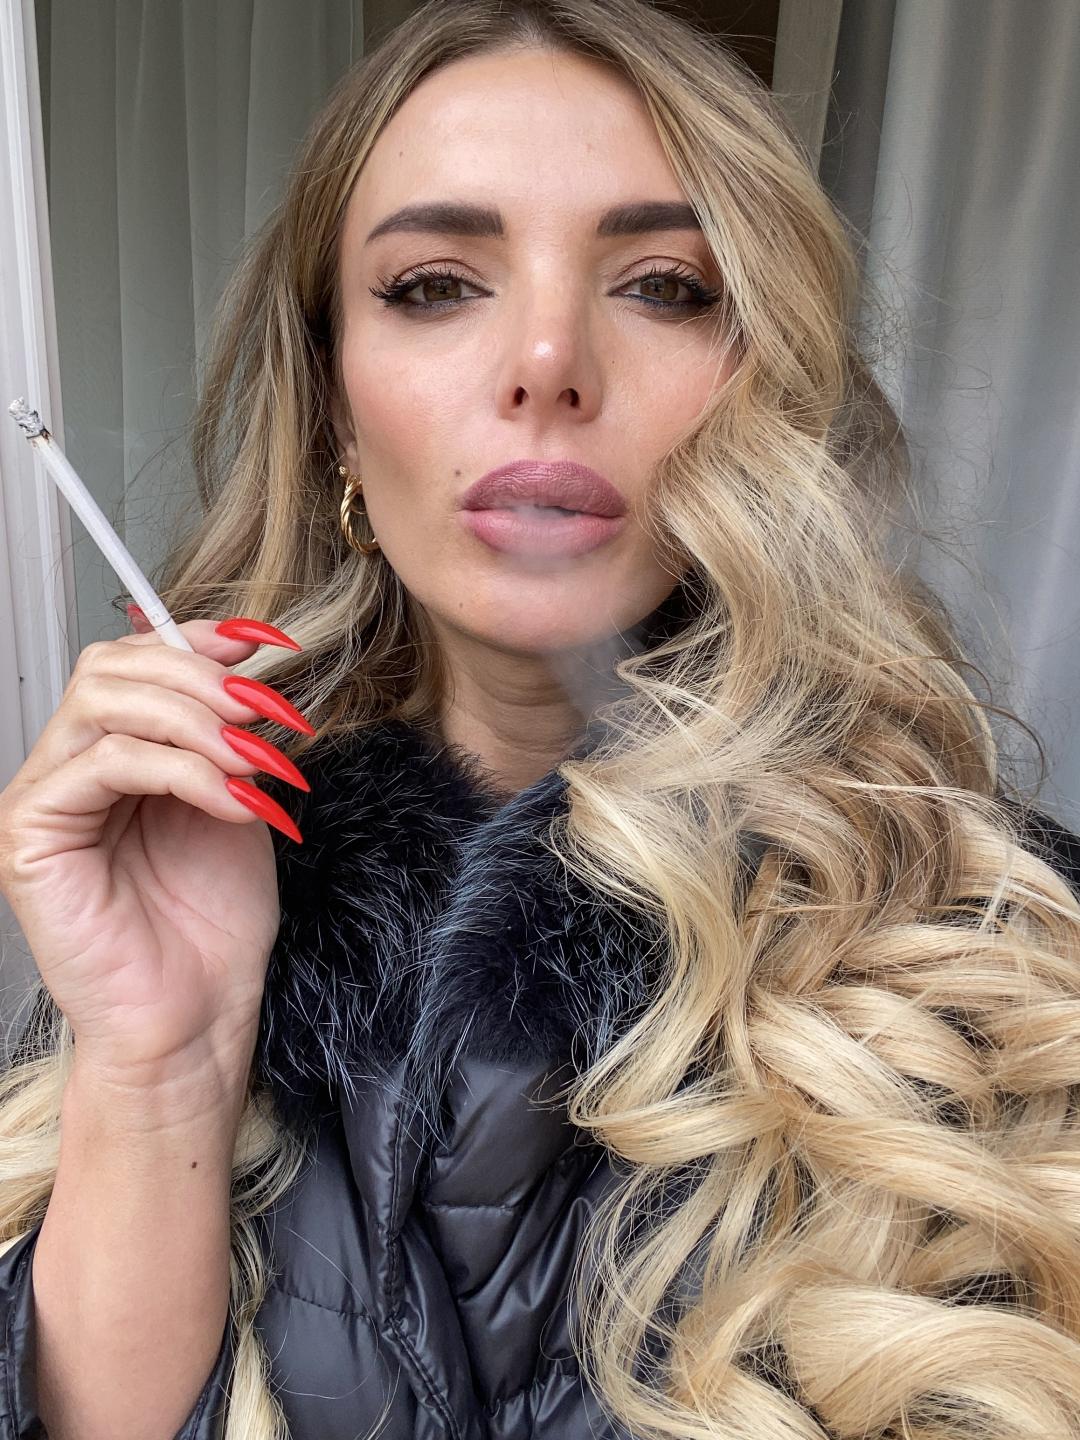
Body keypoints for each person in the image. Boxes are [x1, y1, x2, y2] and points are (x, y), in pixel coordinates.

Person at [2, 0, 1080, 1435]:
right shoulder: (179, 889)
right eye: (437, 285)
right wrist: (161, 1069)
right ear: (334, 411)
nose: (549, 360)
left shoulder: (1000, 958)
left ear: (761, 387)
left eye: (666, 286)